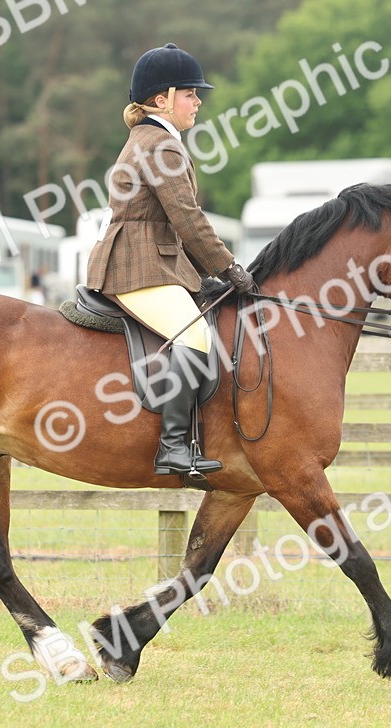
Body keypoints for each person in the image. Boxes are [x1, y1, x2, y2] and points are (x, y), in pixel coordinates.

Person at [86, 43, 256, 478]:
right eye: (190, 94)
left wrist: (204, 277)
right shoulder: (161, 145)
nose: (198, 101)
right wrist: (228, 267)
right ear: (161, 99)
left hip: (151, 261)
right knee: (194, 336)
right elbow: (187, 219)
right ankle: (173, 447)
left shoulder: (155, 140)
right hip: (137, 266)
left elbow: (172, 225)